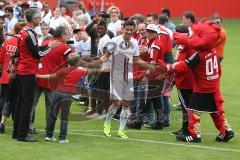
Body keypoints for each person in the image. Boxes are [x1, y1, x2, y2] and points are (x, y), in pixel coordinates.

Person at [91, 20, 155, 139]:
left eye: (131, 30)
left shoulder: (135, 43)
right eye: (127, 30)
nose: (129, 32)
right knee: (116, 103)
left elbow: (136, 60)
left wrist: (149, 66)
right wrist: (97, 62)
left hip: (129, 76)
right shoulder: (114, 41)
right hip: (116, 75)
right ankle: (107, 123)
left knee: (127, 104)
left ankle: (121, 130)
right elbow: (106, 56)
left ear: (134, 30)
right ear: (123, 28)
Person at [12, 8, 60, 142]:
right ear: (34, 19)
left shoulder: (22, 32)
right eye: (39, 17)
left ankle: (17, 132)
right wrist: (50, 48)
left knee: (20, 102)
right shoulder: (30, 33)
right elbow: (37, 54)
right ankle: (22, 134)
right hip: (28, 72)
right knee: (26, 103)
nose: (41, 19)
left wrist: (47, 45)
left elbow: (24, 51)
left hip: (22, 71)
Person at [36, 53, 103, 144]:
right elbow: (91, 71)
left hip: (57, 93)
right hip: (67, 95)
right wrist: (102, 69)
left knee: (52, 115)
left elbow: (51, 76)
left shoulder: (63, 70)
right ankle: (62, 138)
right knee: (64, 117)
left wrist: (38, 76)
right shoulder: (79, 71)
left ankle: (48, 135)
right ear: (78, 62)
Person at [0, 22, 27, 133]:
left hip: (5, 76)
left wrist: (3, 71)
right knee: (17, 101)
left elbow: (1, 59)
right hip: (17, 76)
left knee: (4, 100)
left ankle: (1, 123)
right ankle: (17, 125)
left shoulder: (6, 42)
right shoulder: (24, 44)